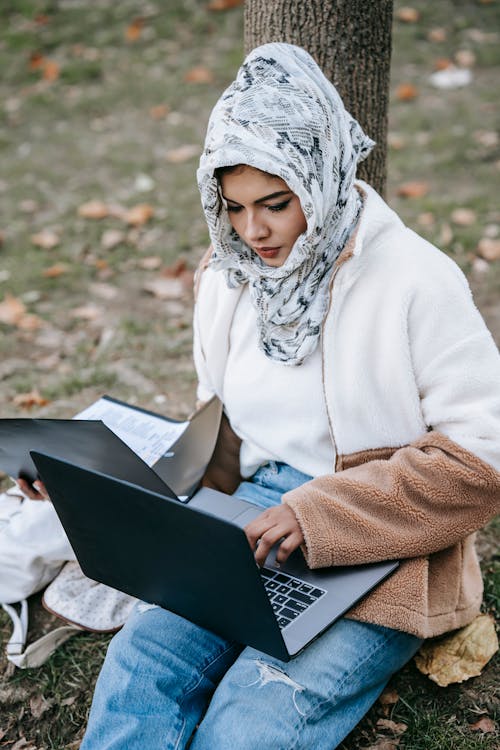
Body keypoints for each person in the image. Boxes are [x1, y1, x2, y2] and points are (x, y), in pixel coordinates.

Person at [49, 42, 500, 748]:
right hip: (246, 526)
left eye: (275, 204)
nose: (252, 231)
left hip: (379, 543)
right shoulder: (228, 276)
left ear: (319, 181)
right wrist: (99, 489)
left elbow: (483, 462)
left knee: (259, 712)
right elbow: (218, 437)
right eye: (233, 206)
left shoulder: (416, 281)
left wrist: (316, 512)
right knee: (141, 667)